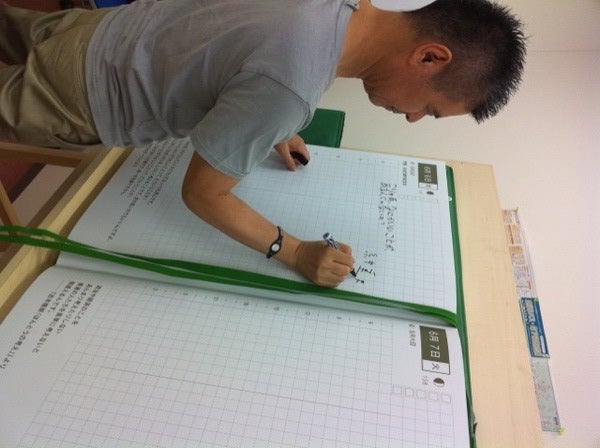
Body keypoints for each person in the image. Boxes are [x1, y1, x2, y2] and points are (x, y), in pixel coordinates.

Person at [0, 0, 526, 287]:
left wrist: (265, 123)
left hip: (99, 29)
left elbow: (242, 43)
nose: (412, 118)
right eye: (429, 108)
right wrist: (295, 252)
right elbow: (203, 194)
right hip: (80, 93)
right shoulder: (289, 89)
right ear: (430, 57)